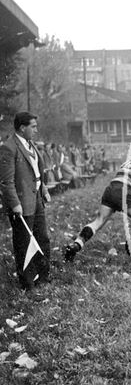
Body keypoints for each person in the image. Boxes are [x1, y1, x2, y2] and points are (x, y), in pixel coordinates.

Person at [64, 146, 131, 262]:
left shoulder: (129, 161)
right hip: (125, 192)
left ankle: (76, 245)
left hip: (110, 189)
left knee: (98, 221)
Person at [0, 112, 51, 290]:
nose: (36, 130)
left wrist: (43, 188)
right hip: (21, 203)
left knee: (42, 237)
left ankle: (43, 276)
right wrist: (15, 204)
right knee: (24, 242)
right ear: (22, 128)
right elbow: (6, 182)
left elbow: (36, 171)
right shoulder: (9, 147)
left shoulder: (31, 145)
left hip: (36, 198)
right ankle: (27, 283)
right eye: (33, 127)